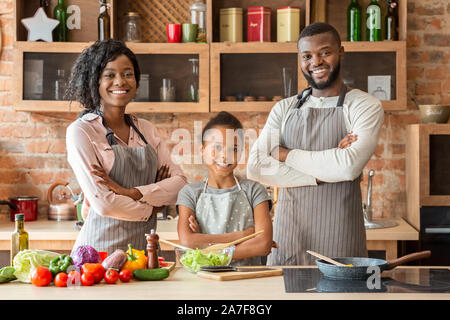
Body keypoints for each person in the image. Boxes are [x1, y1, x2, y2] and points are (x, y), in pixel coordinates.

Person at [247, 22, 384, 265]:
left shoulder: (364, 105)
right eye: (307, 56)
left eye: (325, 52)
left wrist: (284, 154)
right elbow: (256, 167)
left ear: (341, 53)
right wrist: (320, 174)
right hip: (289, 235)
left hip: (341, 237)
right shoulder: (284, 108)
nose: (316, 62)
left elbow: (347, 167)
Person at [66, 39, 187, 254]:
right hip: (96, 259)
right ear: (94, 82)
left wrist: (130, 192)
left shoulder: (146, 130)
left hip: (143, 254)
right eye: (110, 75)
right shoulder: (81, 132)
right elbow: (104, 204)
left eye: (128, 74)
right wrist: (153, 206)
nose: (120, 81)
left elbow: (179, 186)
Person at [177, 111, 274, 265]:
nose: (224, 156)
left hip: (247, 279)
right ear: (202, 150)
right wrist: (244, 235)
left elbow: (263, 245)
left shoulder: (254, 191)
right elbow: (187, 242)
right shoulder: (190, 193)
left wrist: (204, 246)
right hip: (203, 279)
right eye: (217, 147)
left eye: (234, 149)